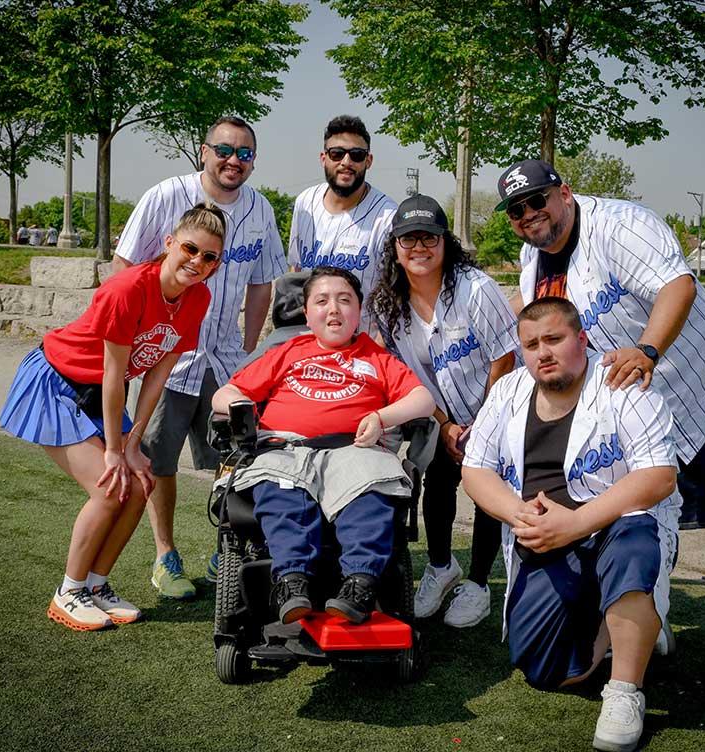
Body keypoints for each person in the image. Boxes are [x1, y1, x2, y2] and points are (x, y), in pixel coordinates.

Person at [462, 297, 680, 752]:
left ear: (581, 339)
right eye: (531, 344)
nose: (543, 352)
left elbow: (659, 476)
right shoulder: (507, 391)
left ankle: (624, 691)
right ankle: (622, 620)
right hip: (546, 537)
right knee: (550, 672)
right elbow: (475, 470)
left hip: (613, 525)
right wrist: (517, 513)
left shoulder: (623, 384)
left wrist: (577, 523)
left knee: (633, 545)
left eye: (555, 339)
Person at [0, 203, 224, 631]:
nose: (197, 262)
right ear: (170, 244)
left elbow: (158, 373)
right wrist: (115, 451)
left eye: (209, 257)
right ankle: (68, 591)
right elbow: (114, 373)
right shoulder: (128, 289)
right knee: (108, 487)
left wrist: (133, 443)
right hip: (57, 383)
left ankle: (97, 586)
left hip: (100, 393)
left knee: (142, 482)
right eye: (191, 249)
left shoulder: (199, 297)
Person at [497, 159, 705, 530]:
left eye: (537, 201)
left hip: (684, 374)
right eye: (517, 210)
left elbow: (679, 285)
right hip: (621, 392)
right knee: (624, 505)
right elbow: (531, 311)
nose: (529, 214)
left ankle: (646, 582)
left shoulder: (621, 225)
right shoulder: (532, 254)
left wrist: (647, 350)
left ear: (564, 194)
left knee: (659, 509)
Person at [112, 115, 285, 599]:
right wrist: (130, 344)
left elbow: (262, 279)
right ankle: (166, 556)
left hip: (225, 361)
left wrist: (249, 345)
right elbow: (124, 267)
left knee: (233, 461)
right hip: (167, 360)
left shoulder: (260, 210)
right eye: (225, 150)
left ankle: (224, 553)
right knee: (157, 461)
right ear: (204, 151)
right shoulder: (166, 196)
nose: (234, 160)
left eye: (245, 153)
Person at [212, 267, 435, 624]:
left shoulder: (376, 358)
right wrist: (244, 409)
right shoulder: (286, 352)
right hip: (287, 449)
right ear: (307, 312)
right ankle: (292, 582)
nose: (334, 309)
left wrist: (382, 417)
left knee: (371, 489)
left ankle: (359, 584)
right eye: (322, 301)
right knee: (281, 489)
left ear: (358, 311)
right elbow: (225, 394)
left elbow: (422, 399)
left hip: (354, 450)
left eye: (345, 300)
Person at [369, 194, 518, 628]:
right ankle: (440, 566)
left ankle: (477, 584)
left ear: (444, 242)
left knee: (486, 485)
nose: (419, 247)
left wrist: (481, 428)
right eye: (408, 239)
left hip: (497, 403)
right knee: (437, 475)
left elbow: (504, 358)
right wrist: (447, 426)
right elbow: (408, 379)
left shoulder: (475, 288)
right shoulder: (387, 304)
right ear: (394, 246)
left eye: (429, 238)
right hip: (441, 413)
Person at [288, 115, 397, 332]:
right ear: (323, 158)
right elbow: (296, 269)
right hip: (312, 339)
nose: (346, 162)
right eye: (337, 154)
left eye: (356, 155)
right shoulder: (304, 203)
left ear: (368, 160)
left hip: (363, 342)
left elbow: (396, 290)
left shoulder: (387, 216)